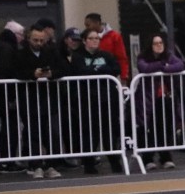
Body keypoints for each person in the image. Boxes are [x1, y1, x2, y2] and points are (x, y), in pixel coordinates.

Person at [15, 24, 68, 179]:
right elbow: (15, 72)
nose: (39, 43)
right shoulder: (20, 54)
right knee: (33, 133)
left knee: (52, 133)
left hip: (49, 99)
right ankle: (36, 165)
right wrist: (33, 74)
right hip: (29, 100)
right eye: (35, 40)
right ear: (28, 38)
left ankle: (51, 165)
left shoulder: (51, 52)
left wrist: (51, 74)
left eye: (41, 40)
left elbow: (64, 69)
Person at [70, 29, 122, 175]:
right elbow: (81, 71)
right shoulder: (78, 56)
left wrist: (96, 69)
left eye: (97, 38)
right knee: (89, 133)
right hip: (88, 101)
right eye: (91, 38)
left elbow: (115, 68)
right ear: (84, 41)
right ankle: (89, 164)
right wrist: (100, 70)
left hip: (107, 100)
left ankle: (115, 162)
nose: (95, 41)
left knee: (109, 132)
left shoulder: (106, 55)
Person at [135, 33, 184, 170]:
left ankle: (166, 157)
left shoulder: (169, 55)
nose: (159, 45)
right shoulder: (143, 57)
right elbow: (144, 68)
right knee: (148, 128)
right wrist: (162, 65)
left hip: (165, 98)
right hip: (147, 100)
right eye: (155, 43)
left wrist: (164, 68)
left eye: (161, 42)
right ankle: (147, 158)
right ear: (150, 46)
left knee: (165, 128)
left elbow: (180, 65)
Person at [0, 22, 25, 173]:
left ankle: (1, 156)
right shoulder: (6, 48)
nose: (22, 39)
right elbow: (3, 72)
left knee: (9, 123)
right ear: (15, 34)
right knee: (12, 123)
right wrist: (10, 97)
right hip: (2, 94)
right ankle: (3, 158)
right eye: (21, 35)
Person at [83, 13, 130, 82]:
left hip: (110, 75)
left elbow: (121, 57)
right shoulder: (85, 37)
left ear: (97, 23)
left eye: (88, 25)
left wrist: (124, 76)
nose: (86, 28)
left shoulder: (114, 36)